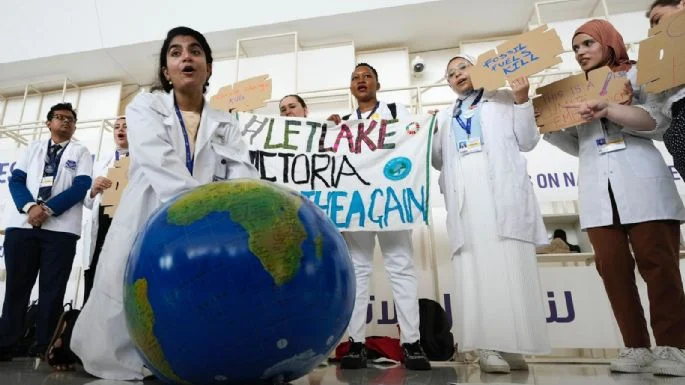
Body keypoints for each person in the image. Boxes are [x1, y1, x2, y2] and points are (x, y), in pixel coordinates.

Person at [45, 26, 258, 378]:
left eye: (195, 51)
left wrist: (248, 210)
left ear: (208, 68)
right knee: (124, 289)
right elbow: (159, 160)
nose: (186, 57)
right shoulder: (145, 106)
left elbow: (241, 170)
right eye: (175, 53)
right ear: (165, 71)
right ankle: (86, 345)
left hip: (206, 219)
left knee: (192, 291)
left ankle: (176, 357)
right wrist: (201, 212)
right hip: (150, 208)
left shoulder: (226, 122)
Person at [544, 19, 685, 376]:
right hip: (597, 188)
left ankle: (675, 346)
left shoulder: (640, 75)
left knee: (659, 265)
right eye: (576, 48)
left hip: (643, 183)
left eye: (588, 43)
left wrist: (608, 109)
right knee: (613, 270)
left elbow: (657, 123)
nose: (581, 53)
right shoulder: (573, 91)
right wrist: (547, 126)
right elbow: (578, 145)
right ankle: (636, 346)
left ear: (609, 42)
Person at [431, 54, 550, 373]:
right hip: (466, 201)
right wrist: (426, 132)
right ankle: (486, 345)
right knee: (476, 270)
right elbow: (437, 160)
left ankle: (513, 345)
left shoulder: (505, 99)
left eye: (462, 67)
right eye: (451, 72)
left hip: (502, 195)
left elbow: (527, 141)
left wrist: (524, 99)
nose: (457, 75)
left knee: (510, 266)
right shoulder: (444, 116)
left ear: (478, 70)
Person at [328, 63, 431, 371]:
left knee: (401, 269)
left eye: (367, 76)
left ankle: (411, 343)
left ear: (378, 84)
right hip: (357, 207)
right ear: (350, 88)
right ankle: (356, 344)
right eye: (355, 78)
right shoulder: (344, 124)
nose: (361, 81)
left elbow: (416, 138)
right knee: (358, 273)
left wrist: (429, 125)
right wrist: (329, 130)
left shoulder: (399, 114)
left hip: (391, 204)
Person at [0, 102, 93, 361]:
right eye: (60, 118)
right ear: (48, 123)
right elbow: (16, 180)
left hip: (60, 231)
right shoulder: (34, 148)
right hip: (23, 226)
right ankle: (8, 343)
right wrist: (31, 207)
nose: (65, 122)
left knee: (52, 290)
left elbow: (81, 185)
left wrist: (47, 209)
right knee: (17, 288)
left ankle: (45, 345)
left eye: (70, 120)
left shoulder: (81, 151)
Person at [81, 116, 129, 304]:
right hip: (102, 222)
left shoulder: (143, 160)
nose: (120, 129)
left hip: (126, 220)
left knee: (120, 274)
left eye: (126, 126)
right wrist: (93, 188)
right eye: (117, 126)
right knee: (94, 272)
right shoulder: (103, 161)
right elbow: (88, 201)